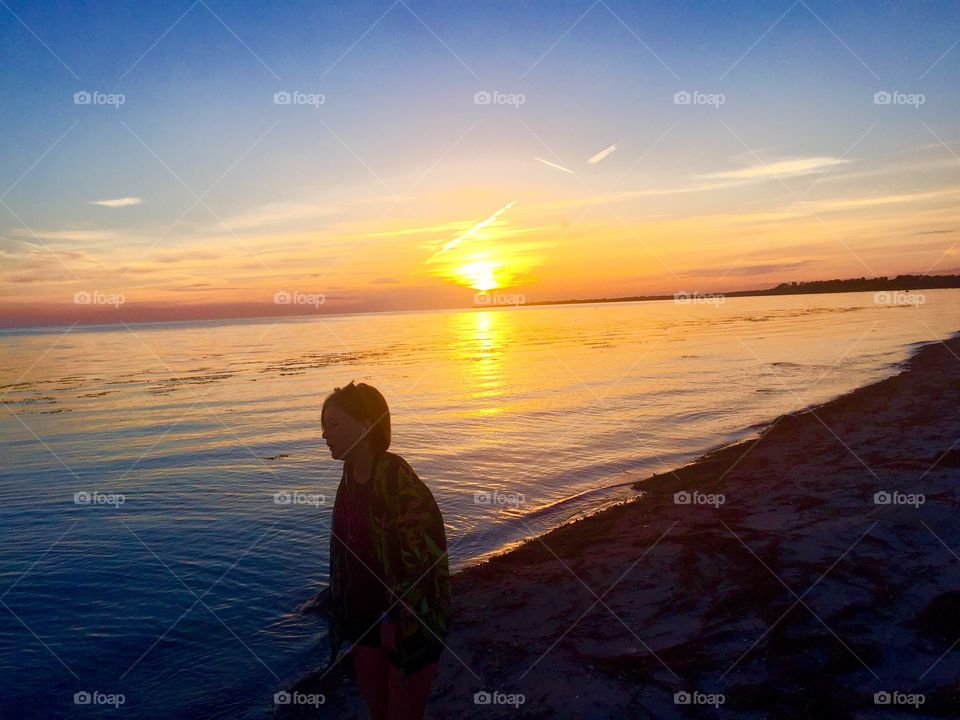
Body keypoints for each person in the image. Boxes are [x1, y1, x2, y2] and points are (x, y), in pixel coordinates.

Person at [321, 381, 451, 720]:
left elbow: (424, 559)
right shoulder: (349, 477)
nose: (324, 434)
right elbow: (346, 553)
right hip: (364, 624)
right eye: (324, 425)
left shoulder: (397, 479)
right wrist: (335, 603)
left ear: (365, 425)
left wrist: (399, 621)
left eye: (333, 424)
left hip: (408, 630)